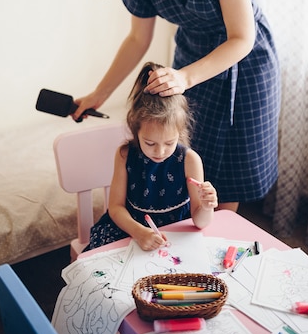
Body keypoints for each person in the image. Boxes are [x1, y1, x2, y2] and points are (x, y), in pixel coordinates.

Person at [75, 0, 281, 213]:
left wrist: (184, 77)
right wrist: (99, 94)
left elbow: (242, 37)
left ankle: (217, 245)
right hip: (192, 53)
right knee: (193, 158)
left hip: (244, 63)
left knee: (231, 173)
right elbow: (138, 39)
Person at [85, 62, 218, 251]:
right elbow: (115, 208)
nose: (160, 152)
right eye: (150, 143)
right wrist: (139, 232)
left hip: (175, 236)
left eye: (169, 143)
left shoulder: (190, 160)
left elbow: (200, 222)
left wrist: (206, 206)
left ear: (179, 133)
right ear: (135, 130)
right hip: (130, 229)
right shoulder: (125, 155)